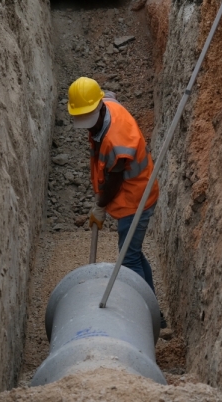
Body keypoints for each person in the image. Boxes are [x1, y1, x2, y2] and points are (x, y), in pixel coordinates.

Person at [67, 77, 166, 327]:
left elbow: (114, 180)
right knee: (133, 253)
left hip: (136, 200)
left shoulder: (116, 140)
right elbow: (111, 96)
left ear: (99, 107)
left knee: (129, 260)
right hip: (131, 197)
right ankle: (155, 313)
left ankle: (145, 320)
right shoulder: (106, 106)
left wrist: (100, 204)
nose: (87, 127)